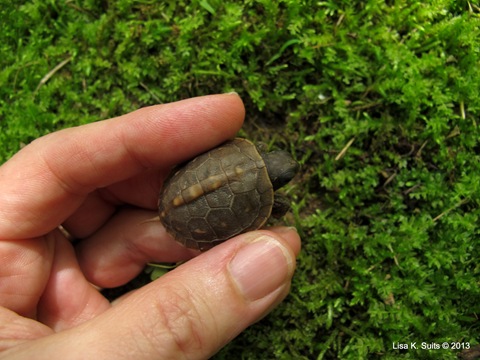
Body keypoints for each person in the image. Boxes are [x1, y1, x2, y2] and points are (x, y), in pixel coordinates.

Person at [0, 93, 301, 359]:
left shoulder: (244, 149)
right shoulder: (267, 200)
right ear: (278, 184)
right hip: (187, 207)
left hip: (183, 191)